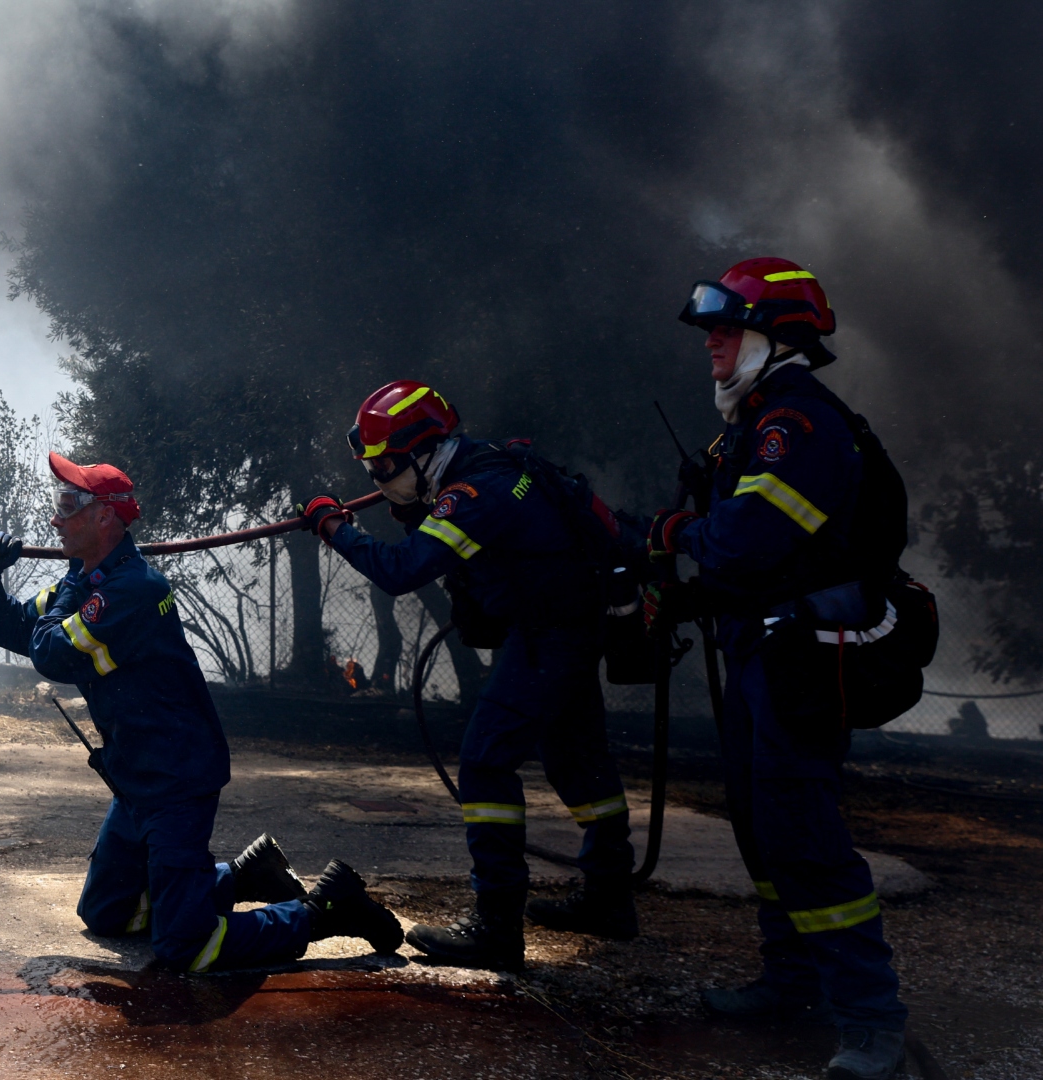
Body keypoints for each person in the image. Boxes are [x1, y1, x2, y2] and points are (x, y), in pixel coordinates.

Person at [0, 451, 403, 972]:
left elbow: (51, 653)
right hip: (136, 776)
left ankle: (325, 910)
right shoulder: (90, 583)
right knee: (107, 914)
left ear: (105, 516)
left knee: (186, 947)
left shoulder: (132, 590)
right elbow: (16, 628)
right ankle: (245, 877)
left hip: (175, 778)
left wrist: (69, 583)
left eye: (67, 505)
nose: (54, 519)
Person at [646, 257, 907, 1080]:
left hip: (799, 660)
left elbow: (744, 542)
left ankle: (871, 1022)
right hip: (760, 649)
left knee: (804, 832)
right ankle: (792, 982)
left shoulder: (798, 423)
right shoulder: (757, 421)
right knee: (761, 826)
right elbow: (751, 561)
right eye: (712, 331)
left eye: (729, 328)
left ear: (776, 337)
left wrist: (676, 534)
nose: (712, 343)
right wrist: (688, 592)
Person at [300, 382, 634, 971]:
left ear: (422, 450)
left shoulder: (476, 493)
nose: (377, 476)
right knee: (578, 761)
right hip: (570, 630)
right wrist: (412, 511)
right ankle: (610, 898)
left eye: (385, 464)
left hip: (547, 639)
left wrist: (333, 526)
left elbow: (401, 570)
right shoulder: (487, 469)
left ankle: (495, 925)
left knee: (485, 762)